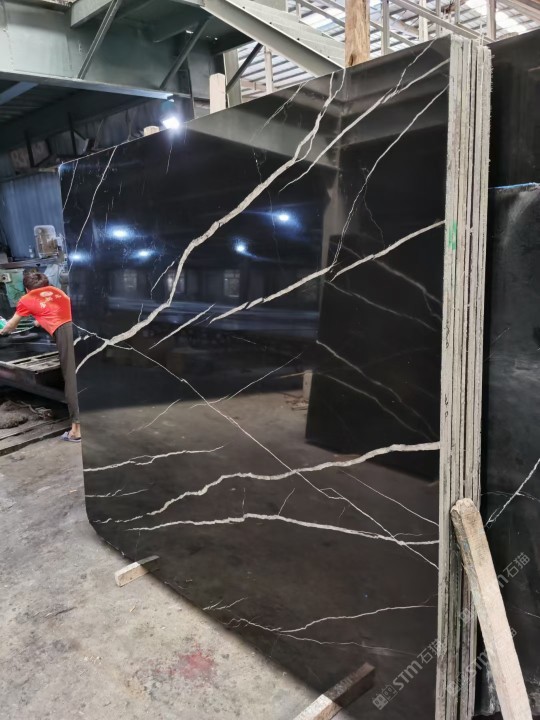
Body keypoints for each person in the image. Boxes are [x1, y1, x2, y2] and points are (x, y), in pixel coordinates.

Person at [0, 272, 81, 442]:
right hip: (83, 328)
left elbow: (11, 325)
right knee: (83, 373)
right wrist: (39, 320)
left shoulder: (27, 299)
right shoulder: (57, 292)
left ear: (26, 289)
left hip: (66, 332)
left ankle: (77, 431)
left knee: (71, 379)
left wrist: (3, 331)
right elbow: (56, 311)